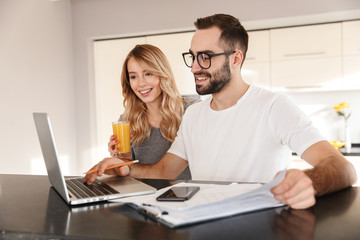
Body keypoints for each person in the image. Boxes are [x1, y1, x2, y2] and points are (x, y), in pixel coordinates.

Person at [85, 14, 357, 209]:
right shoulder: (194, 115)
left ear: (235, 58)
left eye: (205, 56)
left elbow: (343, 170)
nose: (193, 67)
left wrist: (310, 181)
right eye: (192, 57)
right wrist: (126, 171)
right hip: (200, 222)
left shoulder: (274, 106)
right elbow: (165, 169)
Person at [104, 44, 198, 180]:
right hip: (145, 199)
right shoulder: (127, 120)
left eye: (148, 74)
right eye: (133, 77)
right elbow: (132, 177)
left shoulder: (190, 111)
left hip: (188, 198)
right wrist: (125, 161)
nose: (141, 83)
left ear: (162, 74)